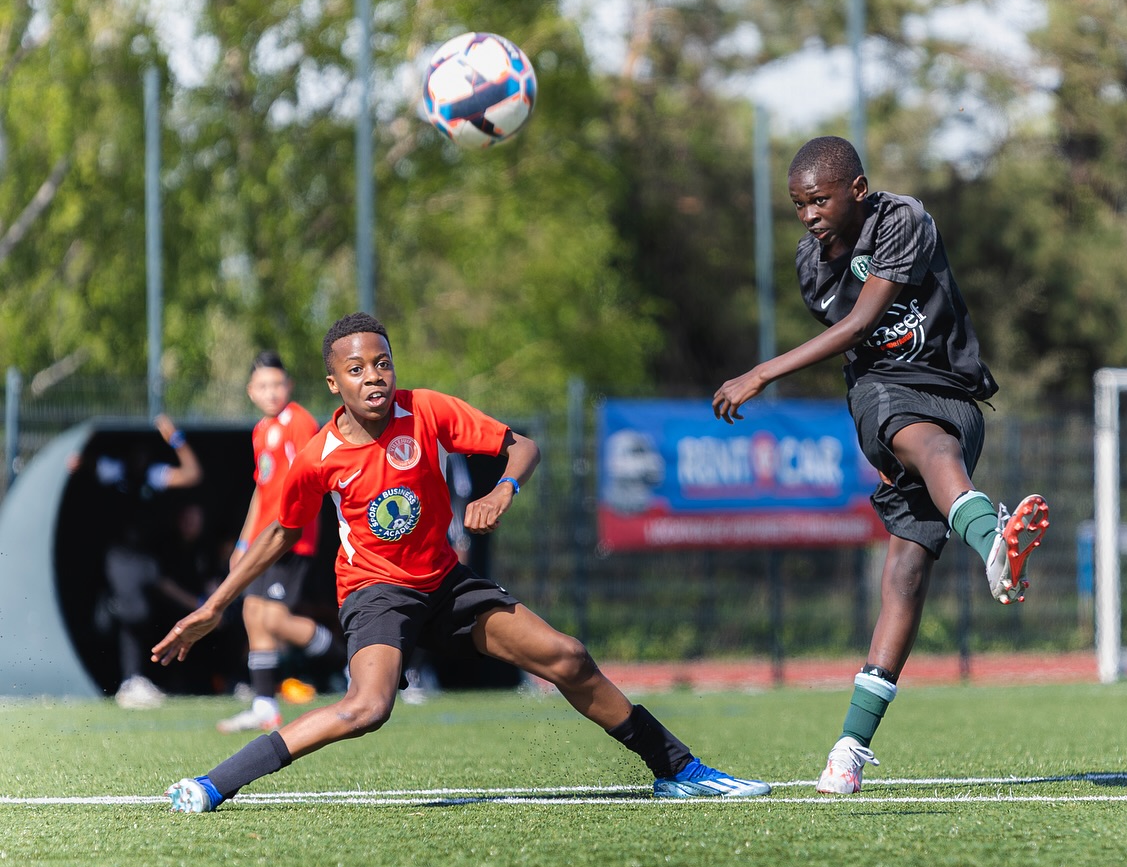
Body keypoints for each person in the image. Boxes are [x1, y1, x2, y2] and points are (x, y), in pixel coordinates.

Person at [154, 312, 770, 811]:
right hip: (376, 592)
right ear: (333, 385)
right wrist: (215, 606)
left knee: (568, 657)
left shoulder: (426, 410)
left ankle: (679, 769)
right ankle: (214, 785)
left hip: (446, 581)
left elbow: (520, 446)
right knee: (368, 708)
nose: (375, 376)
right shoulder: (318, 456)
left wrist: (502, 490)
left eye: (382, 362)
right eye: (356, 368)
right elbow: (279, 534)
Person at [712, 136, 1050, 794]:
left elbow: (867, 316)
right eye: (798, 205)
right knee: (930, 447)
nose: (808, 215)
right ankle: (993, 542)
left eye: (819, 199)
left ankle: (848, 749)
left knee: (905, 573)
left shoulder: (903, 220)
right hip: (883, 393)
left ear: (857, 190)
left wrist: (761, 372)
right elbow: (863, 340)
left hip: (952, 390)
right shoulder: (813, 266)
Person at [216, 351, 345, 734]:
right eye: (263, 386)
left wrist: (291, 528)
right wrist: (243, 544)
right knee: (253, 613)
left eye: (277, 384)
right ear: (251, 392)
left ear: (288, 386)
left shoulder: (300, 423)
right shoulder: (261, 430)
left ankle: (348, 662)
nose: (271, 392)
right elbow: (262, 488)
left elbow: (310, 479)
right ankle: (264, 706)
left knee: (271, 617)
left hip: (290, 537)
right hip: (263, 539)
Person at [78, 414, 205, 709]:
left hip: (147, 559)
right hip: (120, 557)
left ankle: (146, 679)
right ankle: (129, 681)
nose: (139, 457)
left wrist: (176, 438)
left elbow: (192, 474)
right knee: (133, 613)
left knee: (154, 611)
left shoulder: (154, 475)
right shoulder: (113, 470)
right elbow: (80, 464)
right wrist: (78, 460)